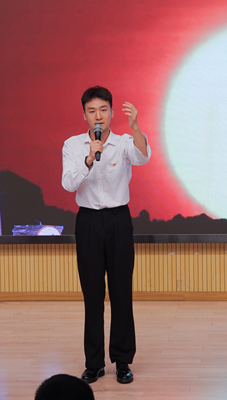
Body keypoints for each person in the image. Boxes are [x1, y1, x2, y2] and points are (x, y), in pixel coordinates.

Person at [62, 86, 150, 384]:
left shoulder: (124, 142)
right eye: (91, 111)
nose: (98, 116)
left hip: (118, 220)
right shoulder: (72, 145)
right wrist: (89, 159)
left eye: (103, 109)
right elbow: (68, 184)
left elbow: (142, 157)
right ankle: (94, 363)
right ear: (84, 115)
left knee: (121, 292)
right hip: (88, 221)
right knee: (92, 295)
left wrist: (135, 127)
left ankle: (123, 361)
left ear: (111, 112)